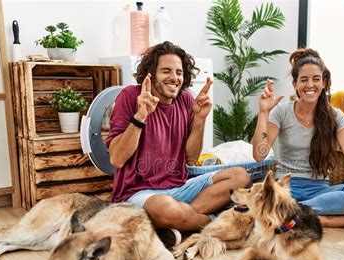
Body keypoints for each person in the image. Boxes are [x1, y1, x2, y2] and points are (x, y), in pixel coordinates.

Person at [106, 41, 250, 246]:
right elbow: (117, 159)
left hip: (181, 186)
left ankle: (179, 223)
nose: (174, 78)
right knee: (166, 209)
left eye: (179, 72)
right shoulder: (130, 96)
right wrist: (140, 116)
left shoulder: (185, 100)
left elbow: (191, 158)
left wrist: (200, 120)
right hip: (139, 192)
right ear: (151, 73)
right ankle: (216, 222)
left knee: (240, 176)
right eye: (166, 71)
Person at [252, 48, 344, 229]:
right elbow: (259, 154)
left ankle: (293, 213)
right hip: (286, 187)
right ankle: (321, 219)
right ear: (295, 84)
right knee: (265, 200)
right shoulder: (282, 111)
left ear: (324, 82)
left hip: (319, 190)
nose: (310, 85)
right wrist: (263, 112)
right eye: (304, 79)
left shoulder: (335, 116)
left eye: (316, 79)